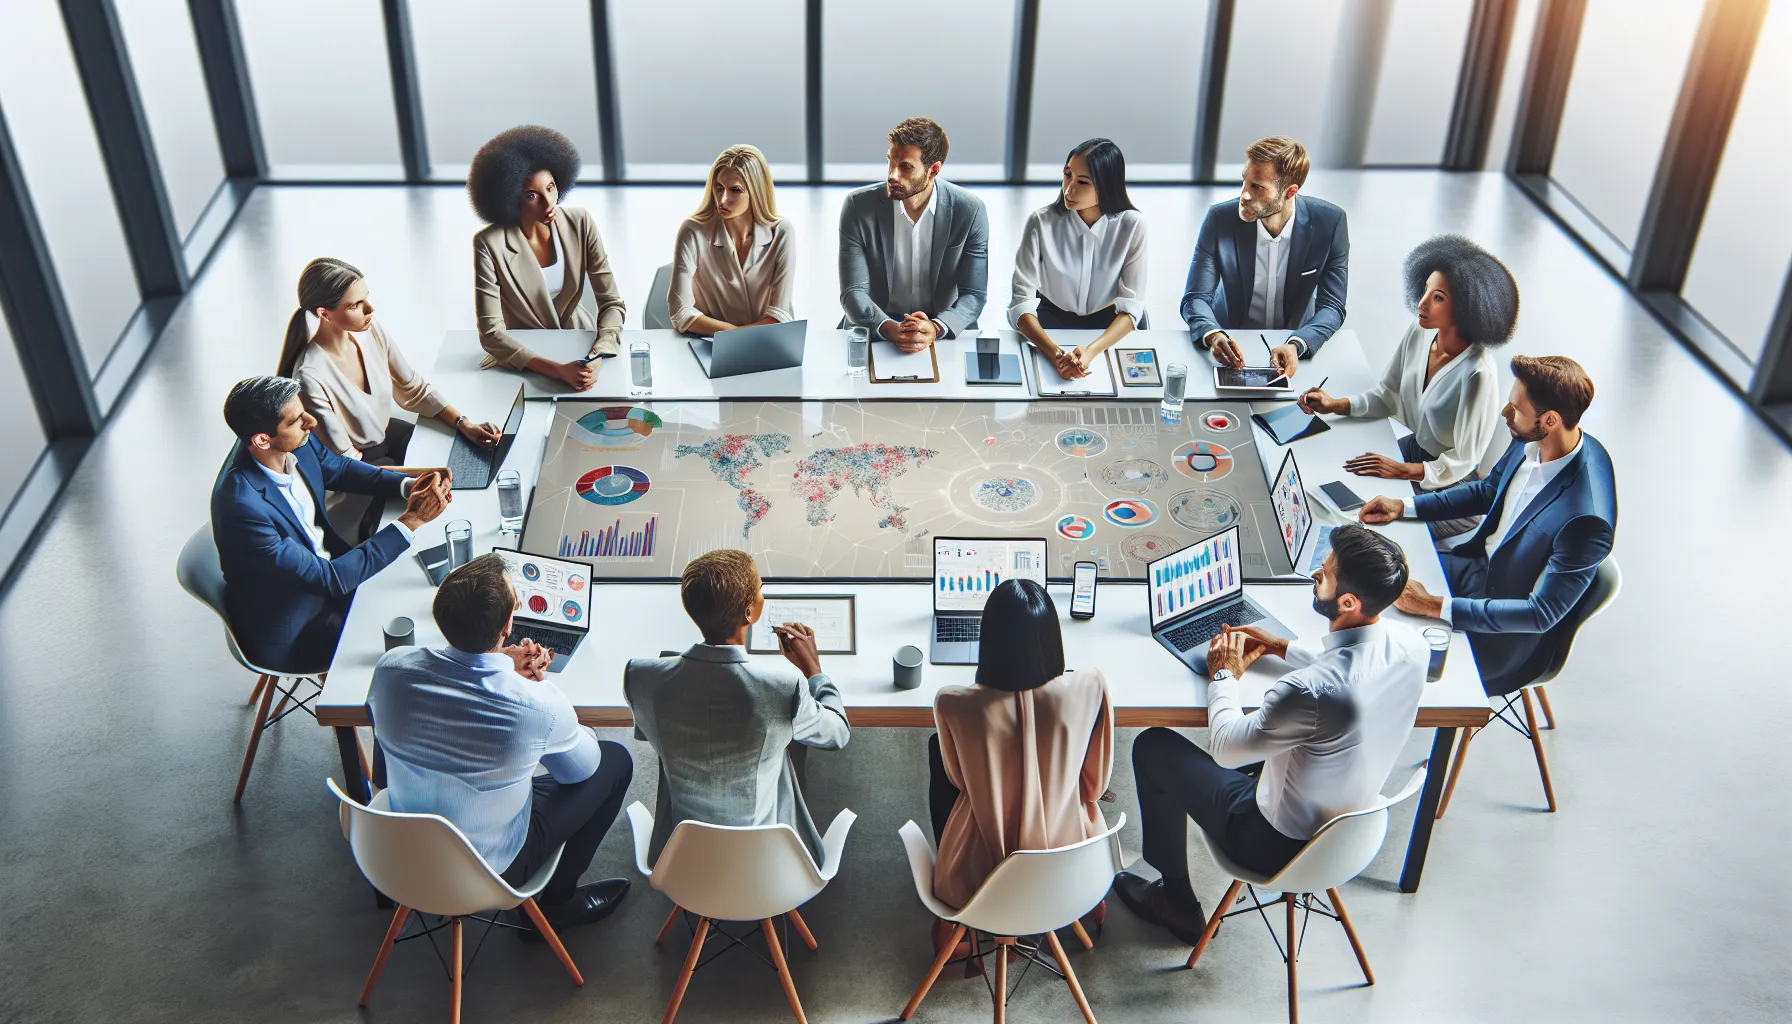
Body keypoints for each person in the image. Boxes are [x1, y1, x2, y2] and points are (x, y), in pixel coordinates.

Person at [1116, 525, 1426, 944]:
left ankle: (1176, 904)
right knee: (1277, 744)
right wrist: (1279, 646)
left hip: (1274, 843)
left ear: (1348, 602)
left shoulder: (1307, 692)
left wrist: (1223, 672)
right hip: (1349, 831)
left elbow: (1226, 750)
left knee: (1153, 746)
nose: (1317, 573)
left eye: (1327, 573)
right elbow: (1348, 667)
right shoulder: (1412, 647)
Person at [369, 555, 634, 938]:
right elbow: (582, 769)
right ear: (508, 626)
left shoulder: (392, 668)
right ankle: (556, 905)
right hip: (493, 867)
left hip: (399, 852)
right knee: (616, 759)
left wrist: (499, 663)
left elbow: (429, 682)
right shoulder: (535, 706)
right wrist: (537, 689)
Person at [1359, 355, 1617, 697]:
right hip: (1476, 570)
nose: (1505, 414)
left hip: (1506, 639)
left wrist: (1434, 606)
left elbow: (1539, 614)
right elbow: (1488, 490)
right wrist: (1404, 506)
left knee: (1381, 662)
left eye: (1516, 409)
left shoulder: (1587, 520)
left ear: (1550, 420)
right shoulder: (1532, 437)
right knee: (1369, 575)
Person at [623, 550, 850, 865]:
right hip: (765, 859)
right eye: (759, 589)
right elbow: (837, 734)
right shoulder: (784, 687)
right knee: (790, 740)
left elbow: (649, 733)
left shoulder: (640, 675)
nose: (762, 594)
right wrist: (814, 671)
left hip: (682, 855)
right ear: (750, 612)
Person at [211, 376, 451, 671]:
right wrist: (411, 520)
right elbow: (330, 581)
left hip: (330, 571)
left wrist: (408, 486)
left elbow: (338, 469)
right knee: (415, 640)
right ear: (263, 439)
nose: (310, 422)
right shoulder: (242, 509)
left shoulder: (291, 442)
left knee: (425, 595)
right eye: (297, 420)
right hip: (296, 625)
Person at [929, 579, 1111, 937]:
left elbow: (958, 781)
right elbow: (1095, 785)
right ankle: (1089, 908)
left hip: (986, 881)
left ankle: (956, 929)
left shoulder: (954, 703)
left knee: (939, 751)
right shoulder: (1090, 686)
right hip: (1075, 872)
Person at [278, 257, 498, 538]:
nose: (370, 309)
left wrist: (462, 422)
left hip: (386, 441)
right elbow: (349, 466)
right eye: (355, 305)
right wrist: (423, 473)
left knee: (466, 459)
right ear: (325, 313)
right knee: (437, 501)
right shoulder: (310, 376)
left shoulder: (371, 331)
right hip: (358, 477)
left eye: (366, 298)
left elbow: (414, 388)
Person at [1299, 235, 1515, 493]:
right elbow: (1388, 396)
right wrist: (1334, 405)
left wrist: (1398, 470)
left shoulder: (1479, 374)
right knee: (1339, 474)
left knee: (1366, 515)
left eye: (1438, 298)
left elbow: (1464, 461)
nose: (1422, 304)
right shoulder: (1420, 332)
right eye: (1425, 290)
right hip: (1414, 452)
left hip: (1449, 483)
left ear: (1467, 307)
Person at [469, 125, 627, 390]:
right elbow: (492, 334)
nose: (549, 203)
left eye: (551, 188)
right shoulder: (489, 244)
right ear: (509, 197)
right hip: (526, 357)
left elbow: (612, 303)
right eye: (532, 196)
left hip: (581, 346)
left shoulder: (580, 222)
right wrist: (557, 371)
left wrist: (599, 353)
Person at [1180, 136, 1349, 380]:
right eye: (1244, 181)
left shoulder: (1330, 223)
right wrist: (1213, 334)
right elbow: (1196, 297)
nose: (1244, 195)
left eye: (1257, 187)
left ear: (1290, 191)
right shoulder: (1220, 219)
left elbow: (1332, 305)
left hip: (1294, 344)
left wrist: (1297, 344)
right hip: (1231, 341)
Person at [839, 117, 989, 354]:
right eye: (890, 161)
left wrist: (936, 328)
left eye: (906, 167)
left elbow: (974, 294)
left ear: (934, 170)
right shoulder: (858, 207)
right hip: (876, 325)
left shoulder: (970, 211)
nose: (892, 175)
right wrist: (888, 327)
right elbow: (853, 292)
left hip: (943, 326)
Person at [1009, 138, 1147, 381]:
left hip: (1109, 327)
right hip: (1047, 322)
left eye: (1082, 182)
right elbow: (1021, 303)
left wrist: (1090, 351)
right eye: (1067, 175)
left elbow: (1131, 306)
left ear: (1106, 186)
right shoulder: (1040, 222)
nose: (1069, 189)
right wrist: (1057, 357)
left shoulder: (1132, 225)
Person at [668, 145, 795, 336]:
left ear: (756, 191)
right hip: (707, 342)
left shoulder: (782, 232)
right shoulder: (693, 231)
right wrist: (735, 338)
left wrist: (735, 339)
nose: (723, 199)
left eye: (735, 190)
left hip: (768, 342)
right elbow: (680, 310)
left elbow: (780, 314)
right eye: (719, 188)